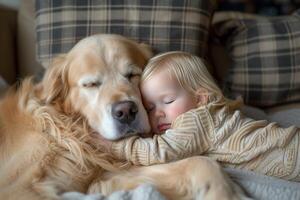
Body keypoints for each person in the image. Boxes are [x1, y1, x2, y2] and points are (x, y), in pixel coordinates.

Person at [102, 51, 300, 181]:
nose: (158, 114)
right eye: (150, 108)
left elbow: (160, 152)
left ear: (201, 98)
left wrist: (113, 146)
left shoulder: (197, 120)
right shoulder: (214, 115)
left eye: (168, 101)